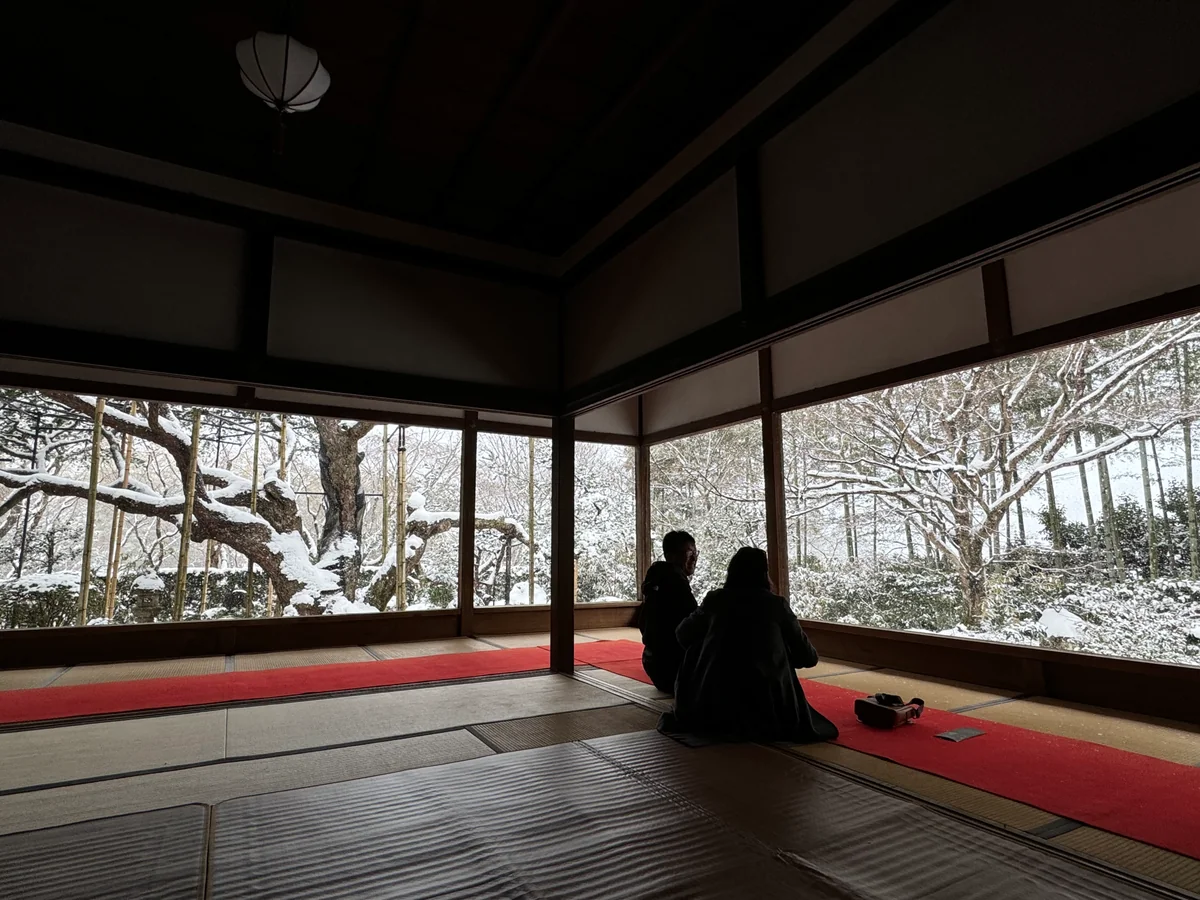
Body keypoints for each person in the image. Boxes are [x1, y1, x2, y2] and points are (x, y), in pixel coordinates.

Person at [669, 546, 836, 743]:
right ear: (764, 574)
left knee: (698, 644)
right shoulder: (776, 604)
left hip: (715, 703)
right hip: (769, 707)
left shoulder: (716, 600)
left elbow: (682, 634)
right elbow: (808, 658)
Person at [639, 530, 699, 693]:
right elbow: (694, 627)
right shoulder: (674, 582)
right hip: (675, 670)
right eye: (689, 553)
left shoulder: (657, 580)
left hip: (654, 666)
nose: (694, 558)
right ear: (671, 555)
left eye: (695, 552)